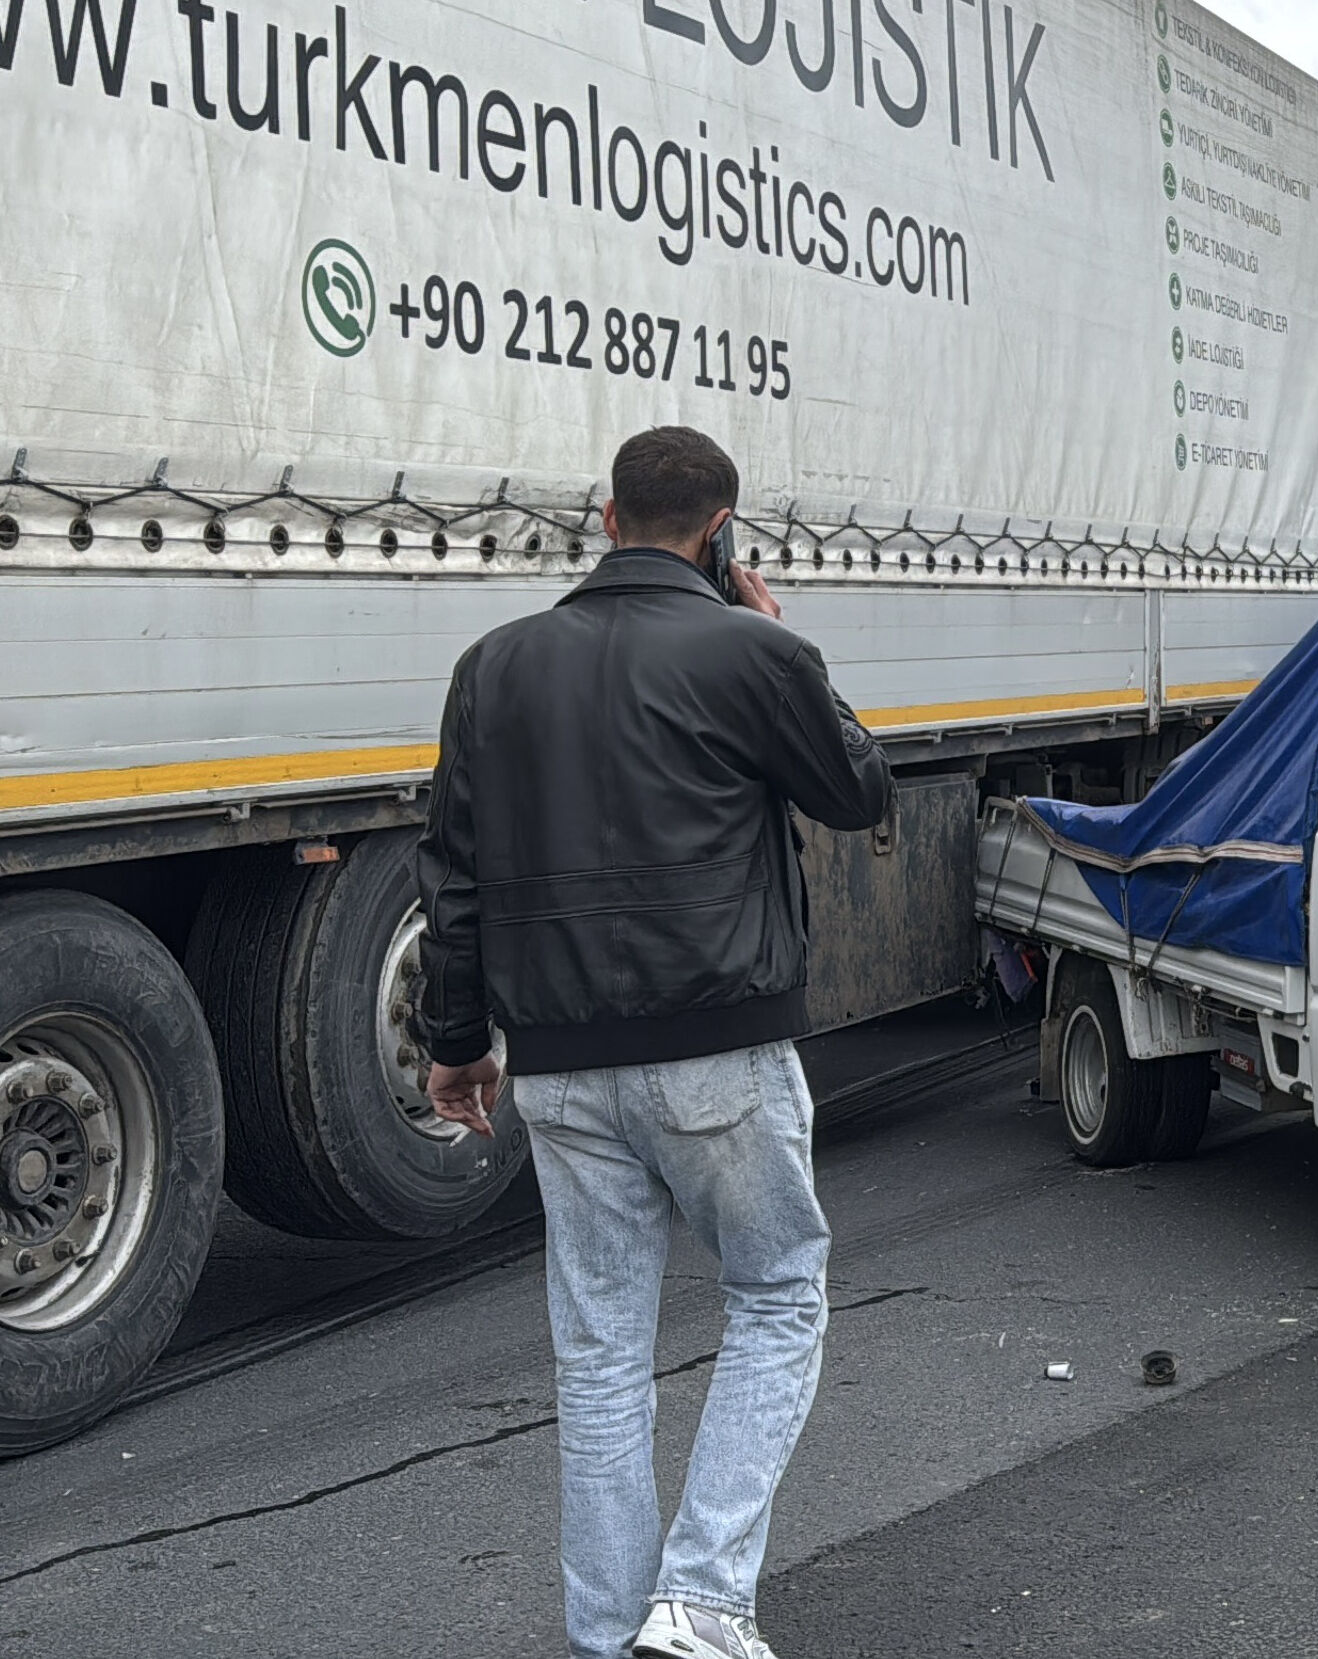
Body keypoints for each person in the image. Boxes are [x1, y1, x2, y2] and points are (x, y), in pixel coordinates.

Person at [417, 427, 893, 1659]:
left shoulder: (493, 667)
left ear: (608, 514)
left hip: (560, 1068)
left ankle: (610, 1635)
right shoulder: (755, 652)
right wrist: (789, 642)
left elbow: (454, 877)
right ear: (720, 531)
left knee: (599, 1357)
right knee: (780, 1296)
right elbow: (858, 793)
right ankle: (702, 1600)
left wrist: (457, 1040)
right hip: (719, 1055)